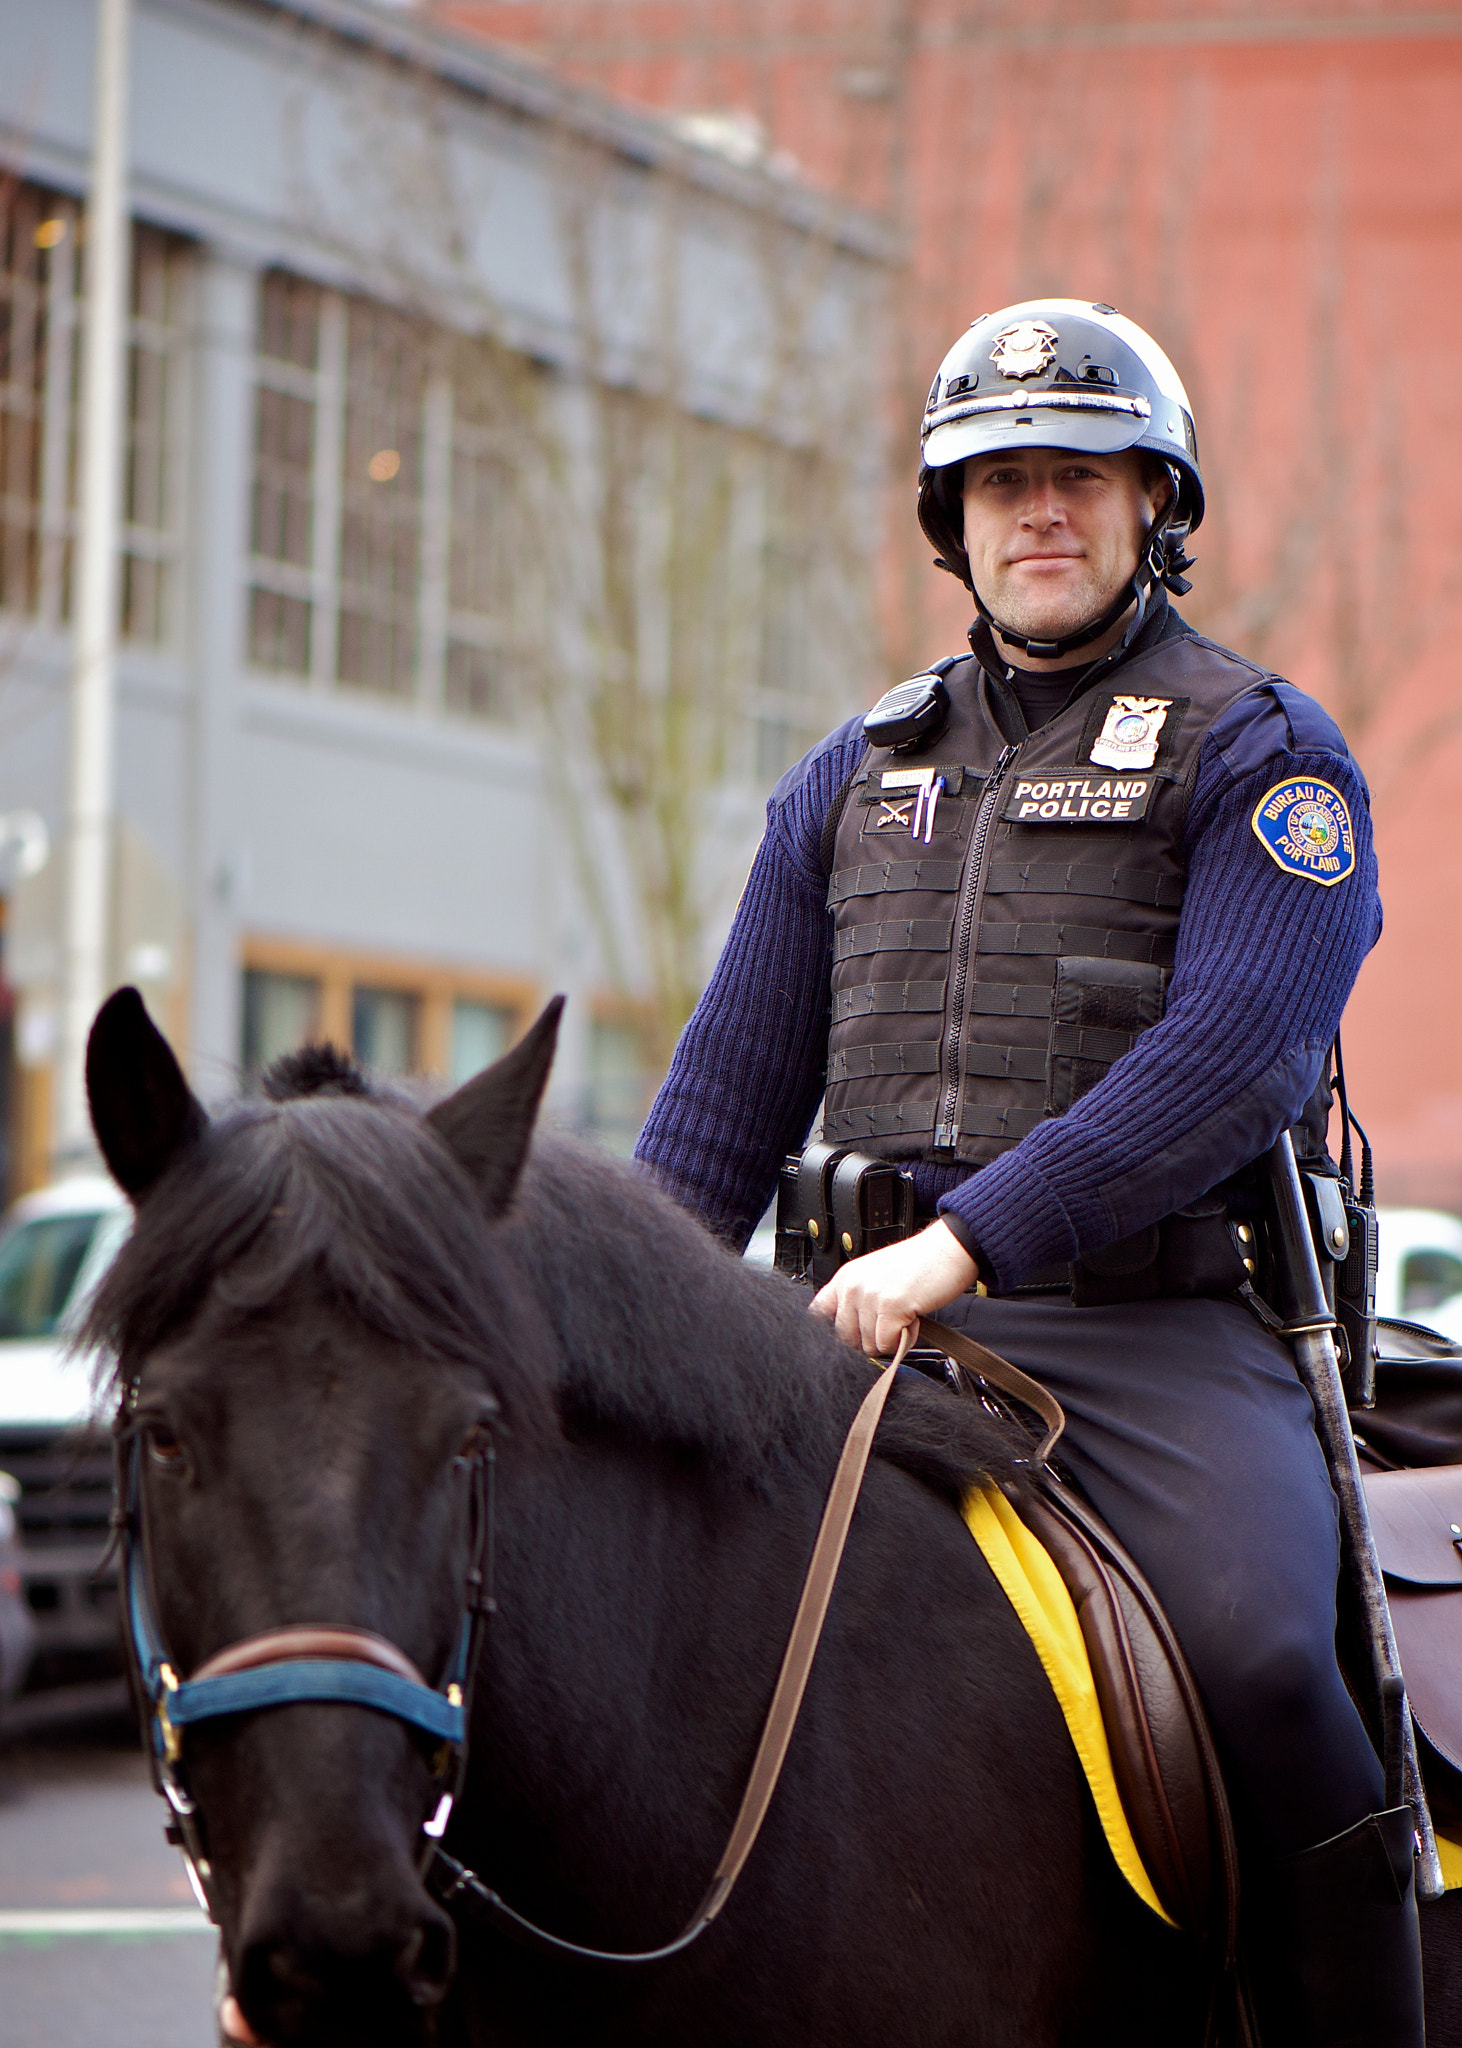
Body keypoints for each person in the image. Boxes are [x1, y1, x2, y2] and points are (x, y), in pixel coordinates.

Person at [636, 299, 1421, 2045]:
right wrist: (594, 1324)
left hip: (1147, 1347)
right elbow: (712, 1115)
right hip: (842, 1337)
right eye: (996, 482)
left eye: (1075, 474)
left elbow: (1233, 1062)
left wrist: (961, 1246)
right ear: (952, 522)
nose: (1035, 511)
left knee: (1275, 1675)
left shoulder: (1263, 754)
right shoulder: (844, 780)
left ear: (1156, 506)